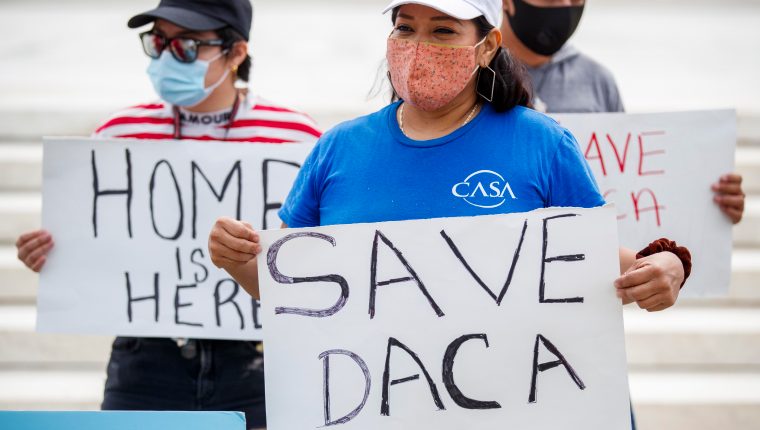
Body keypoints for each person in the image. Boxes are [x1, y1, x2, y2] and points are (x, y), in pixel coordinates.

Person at [208, 0, 691, 330]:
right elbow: (287, 291)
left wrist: (668, 265)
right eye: (405, 27)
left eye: (443, 30)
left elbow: (599, 257)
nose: (418, 46)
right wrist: (239, 261)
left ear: (487, 46)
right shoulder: (338, 148)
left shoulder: (542, 144)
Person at [14, 0, 321, 428]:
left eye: (188, 45)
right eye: (159, 42)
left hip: (259, 357)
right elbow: (100, 240)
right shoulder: (117, 135)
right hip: (145, 356)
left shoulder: (298, 137)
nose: (166, 56)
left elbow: (318, 251)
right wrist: (53, 253)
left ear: (236, 53)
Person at [500, 0, 745, 224]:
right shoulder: (476, 78)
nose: (565, 6)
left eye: (576, 0)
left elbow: (631, 183)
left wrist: (712, 205)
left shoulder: (597, 81)